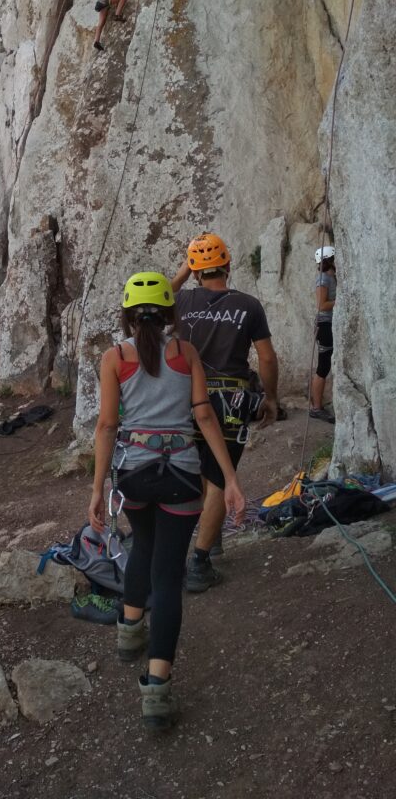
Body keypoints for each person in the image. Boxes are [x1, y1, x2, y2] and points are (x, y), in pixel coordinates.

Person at [89, 271, 246, 732]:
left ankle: (128, 631)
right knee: (168, 572)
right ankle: (156, 690)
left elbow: (106, 426)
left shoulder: (114, 358)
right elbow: (204, 416)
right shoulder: (187, 354)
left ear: (125, 314)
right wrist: (230, 479)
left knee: (141, 544)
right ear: (171, 313)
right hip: (180, 475)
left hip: (135, 476)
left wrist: (97, 489)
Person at [171, 232, 278, 591]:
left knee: (204, 465)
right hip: (231, 399)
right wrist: (271, 398)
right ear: (229, 266)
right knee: (219, 475)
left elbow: (157, 299)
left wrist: (186, 269)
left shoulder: (183, 300)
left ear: (197, 270)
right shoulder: (248, 305)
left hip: (188, 398)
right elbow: (265, 357)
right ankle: (199, 563)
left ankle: (210, 536)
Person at [310, 245, 336, 423]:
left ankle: (317, 406)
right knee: (323, 367)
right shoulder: (322, 280)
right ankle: (316, 408)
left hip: (328, 324)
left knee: (325, 365)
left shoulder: (329, 277)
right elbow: (322, 305)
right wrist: (342, 299)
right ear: (330, 260)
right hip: (325, 325)